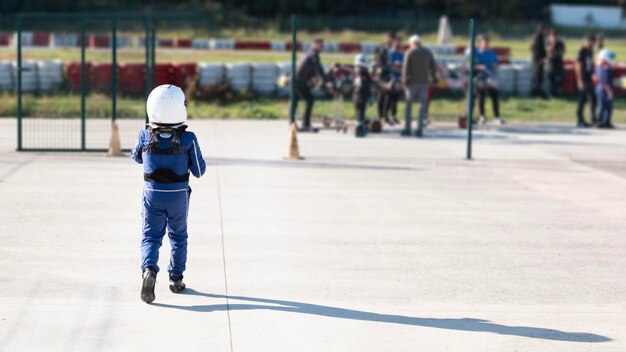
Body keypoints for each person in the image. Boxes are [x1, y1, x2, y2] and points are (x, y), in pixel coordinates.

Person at [131, 84, 207, 304]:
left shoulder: (145, 135)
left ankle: (149, 271)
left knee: (151, 236)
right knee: (178, 235)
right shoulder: (188, 138)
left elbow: (136, 158)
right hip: (178, 195)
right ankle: (175, 278)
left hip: (152, 193)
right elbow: (199, 171)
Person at [401, 34, 437, 138]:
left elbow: (405, 68)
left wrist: (405, 82)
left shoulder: (409, 53)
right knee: (422, 107)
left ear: (412, 43)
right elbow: (433, 66)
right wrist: (433, 77)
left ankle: (407, 129)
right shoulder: (427, 52)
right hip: (424, 83)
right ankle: (419, 130)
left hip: (411, 83)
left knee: (408, 106)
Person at [471, 35, 504, 125]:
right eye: (484, 43)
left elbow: (496, 63)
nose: (486, 45)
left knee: (495, 94)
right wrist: (479, 66)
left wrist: (496, 65)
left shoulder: (492, 53)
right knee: (481, 93)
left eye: (487, 43)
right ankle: (482, 116)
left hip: (490, 77)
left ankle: (496, 116)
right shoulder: (476, 53)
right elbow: (472, 65)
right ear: (480, 44)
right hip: (480, 77)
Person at [295, 38, 326, 132]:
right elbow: (319, 70)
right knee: (310, 101)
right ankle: (305, 125)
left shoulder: (308, 53)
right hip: (299, 81)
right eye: (320, 45)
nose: (322, 47)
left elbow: (310, 70)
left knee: (295, 102)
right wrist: (327, 79)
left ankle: (293, 124)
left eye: (322, 45)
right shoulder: (313, 55)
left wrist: (313, 78)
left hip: (296, 80)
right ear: (314, 45)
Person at [374, 32, 396, 125]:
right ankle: (380, 116)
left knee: (388, 95)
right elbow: (378, 61)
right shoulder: (382, 48)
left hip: (388, 73)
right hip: (382, 73)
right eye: (391, 39)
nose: (393, 42)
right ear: (387, 39)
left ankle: (385, 115)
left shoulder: (390, 49)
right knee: (381, 95)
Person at [575, 35, 597, 128]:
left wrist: (593, 74)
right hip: (583, 78)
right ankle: (580, 120)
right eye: (591, 42)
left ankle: (593, 119)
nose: (592, 44)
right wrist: (580, 81)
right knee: (582, 99)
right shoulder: (581, 52)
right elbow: (578, 66)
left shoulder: (590, 51)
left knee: (593, 98)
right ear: (587, 41)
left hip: (589, 78)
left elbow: (591, 64)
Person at [353, 54, 374, 137]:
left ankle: (361, 128)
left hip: (356, 95)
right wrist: (369, 95)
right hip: (360, 96)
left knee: (360, 113)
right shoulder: (362, 73)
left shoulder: (357, 71)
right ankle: (358, 131)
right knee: (360, 114)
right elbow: (365, 85)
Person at [385, 37, 404, 125]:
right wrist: (397, 69)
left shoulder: (401, 55)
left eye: (399, 44)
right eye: (396, 44)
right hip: (391, 78)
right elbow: (389, 65)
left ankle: (394, 115)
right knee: (389, 98)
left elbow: (403, 65)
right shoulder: (390, 53)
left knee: (396, 99)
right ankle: (385, 116)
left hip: (398, 78)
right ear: (393, 44)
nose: (397, 46)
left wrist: (400, 70)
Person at [595, 48, 616, 128]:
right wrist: (609, 90)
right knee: (603, 105)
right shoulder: (604, 66)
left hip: (601, 87)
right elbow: (605, 79)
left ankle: (606, 121)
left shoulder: (599, 65)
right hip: (604, 88)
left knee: (607, 105)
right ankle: (601, 121)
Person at [546, 30, 566, 97]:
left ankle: (556, 91)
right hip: (551, 63)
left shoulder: (560, 43)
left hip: (559, 62)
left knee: (560, 77)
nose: (554, 37)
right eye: (552, 36)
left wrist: (557, 52)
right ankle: (552, 93)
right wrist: (552, 44)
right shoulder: (549, 43)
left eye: (555, 36)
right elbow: (549, 53)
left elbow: (562, 52)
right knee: (551, 77)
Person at [530, 24, 547, 98]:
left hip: (537, 58)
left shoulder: (537, 37)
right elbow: (538, 49)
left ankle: (537, 91)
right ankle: (536, 93)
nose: (545, 32)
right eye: (544, 30)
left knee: (538, 75)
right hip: (538, 59)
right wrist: (541, 59)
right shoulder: (539, 38)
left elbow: (532, 48)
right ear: (541, 30)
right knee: (538, 76)